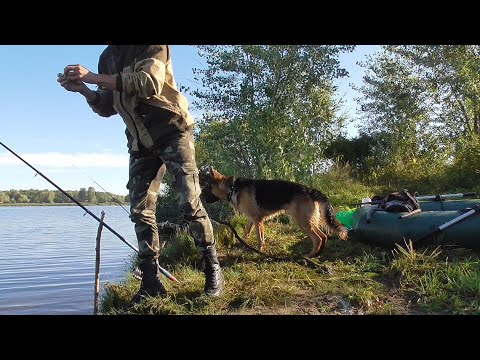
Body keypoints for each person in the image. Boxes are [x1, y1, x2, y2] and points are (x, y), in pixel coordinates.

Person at [57, 45, 224, 304]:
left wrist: (92, 76)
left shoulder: (154, 46)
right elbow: (107, 106)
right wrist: (84, 90)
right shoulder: (107, 57)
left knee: (189, 203)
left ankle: (212, 269)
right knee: (140, 210)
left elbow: (149, 83)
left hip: (172, 131)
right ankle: (150, 281)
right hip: (139, 142)